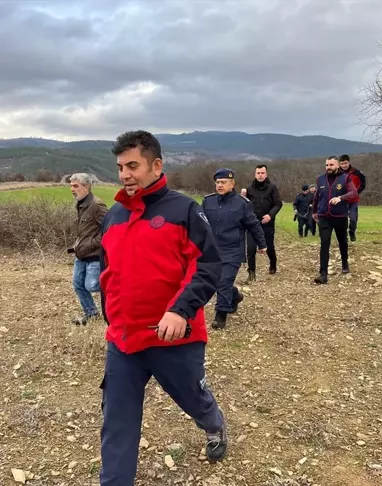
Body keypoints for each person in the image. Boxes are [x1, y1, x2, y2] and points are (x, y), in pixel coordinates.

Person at [98, 130, 228, 485]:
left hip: (175, 338)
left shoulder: (184, 210)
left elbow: (207, 266)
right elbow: (107, 271)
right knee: (117, 424)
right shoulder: (113, 217)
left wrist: (180, 309)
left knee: (194, 399)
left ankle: (214, 424)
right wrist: (111, 315)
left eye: (133, 166)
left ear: (156, 165)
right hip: (124, 342)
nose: (125, 174)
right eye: (121, 167)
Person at [202, 168, 266, 329]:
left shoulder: (242, 204)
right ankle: (235, 296)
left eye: (223, 182)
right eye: (217, 182)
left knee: (224, 281)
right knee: (216, 281)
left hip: (232, 251)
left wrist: (262, 244)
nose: (220, 185)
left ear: (232, 184)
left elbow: (253, 225)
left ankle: (220, 315)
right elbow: (199, 225)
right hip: (213, 249)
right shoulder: (208, 201)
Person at [68, 173, 108, 325]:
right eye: (71, 186)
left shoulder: (97, 205)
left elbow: (109, 230)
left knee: (92, 285)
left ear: (87, 187)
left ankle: (118, 300)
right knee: (78, 285)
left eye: (76, 186)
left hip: (94, 256)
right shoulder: (80, 203)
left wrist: (90, 243)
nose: (72, 189)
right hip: (81, 255)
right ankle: (91, 314)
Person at [312, 156, 358, 284]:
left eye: (331, 165)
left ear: (337, 165)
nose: (329, 167)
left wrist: (341, 198)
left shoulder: (345, 178)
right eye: (327, 165)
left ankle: (344, 262)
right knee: (324, 244)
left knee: (342, 241)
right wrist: (314, 211)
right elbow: (317, 197)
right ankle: (323, 274)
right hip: (324, 216)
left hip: (340, 216)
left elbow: (353, 193)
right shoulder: (320, 179)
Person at [245, 164, 282, 280]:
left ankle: (273, 264)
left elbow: (278, 203)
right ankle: (251, 272)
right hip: (252, 223)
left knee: (269, 247)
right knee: (251, 248)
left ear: (266, 174)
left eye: (262, 173)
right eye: (258, 173)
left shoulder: (272, 187)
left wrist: (270, 215)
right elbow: (244, 204)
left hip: (267, 223)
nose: (260, 175)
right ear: (255, 174)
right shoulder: (249, 189)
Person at [338, 154, 367, 242]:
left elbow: (363, 184)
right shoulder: (337, 173)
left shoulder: (357, 173)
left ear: (349, 162)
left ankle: (352, 231)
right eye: (342, 164)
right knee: (342, 219)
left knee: (353, 219)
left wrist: (355, 193)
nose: (344, 165)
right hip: (341, 200)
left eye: (345, 163)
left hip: (353, 200)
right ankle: (344, 236)